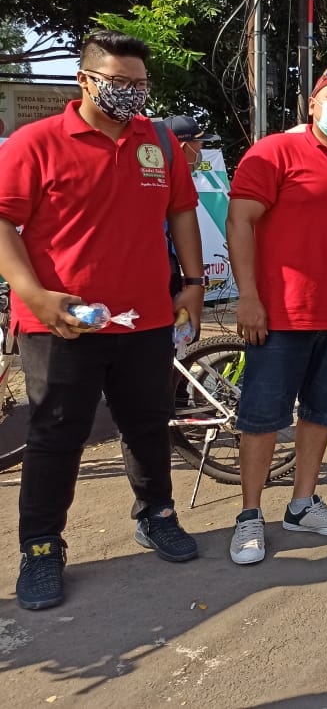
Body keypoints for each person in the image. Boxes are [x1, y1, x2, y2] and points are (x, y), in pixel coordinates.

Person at [0, 30, 204, 610]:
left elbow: (183, 213)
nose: (131, 95)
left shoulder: (158, 143)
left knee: (147, 421)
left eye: (140, 85)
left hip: (143, 319)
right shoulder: (34, 142)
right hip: (62, 323)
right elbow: (3, 224)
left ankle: (156, 514)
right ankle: (41, 547)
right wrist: (34, 295)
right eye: (119, 83)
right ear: (85, 80)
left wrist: (193, 284)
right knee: (56, 435)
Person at [225, 68, 327, 565]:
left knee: (321, 412)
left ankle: (301, 504)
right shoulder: (274, 152)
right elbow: (240, 222)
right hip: (278, 314)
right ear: (311, 105)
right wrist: (248, 296)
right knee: (262, 418)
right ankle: (250, 517)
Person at [153, 115, 221, 298]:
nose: (200, 154)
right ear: (182, 146)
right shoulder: (160, 185)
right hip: (161, 274)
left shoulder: (166, 181)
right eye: (199, 146)